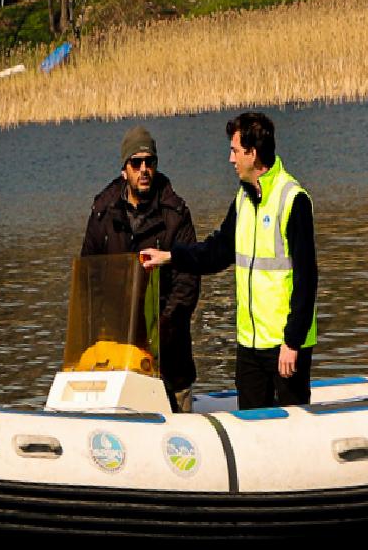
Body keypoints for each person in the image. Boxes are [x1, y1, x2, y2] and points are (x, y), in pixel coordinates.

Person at [139, 111, 317, 409]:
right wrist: (171, 257)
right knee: (251, 431)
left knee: (290, 434)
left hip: (284, 346)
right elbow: (218, 251)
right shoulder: (243, 199)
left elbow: (306, 279)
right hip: (249, 345)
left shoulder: (293, 199)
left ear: (253, 153)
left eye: (235, 151)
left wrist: (293, 341)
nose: (231, 159)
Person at [82, 125, 200, 411]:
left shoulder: (176, 214)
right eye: (137, 163)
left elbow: (188, 283)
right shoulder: (102, 213)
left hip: (168, 352)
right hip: (117, 350)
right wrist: (102, 329)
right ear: (125, 169)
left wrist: (162, 328)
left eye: (150, 163)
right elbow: (89, 278)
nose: (144, 169)